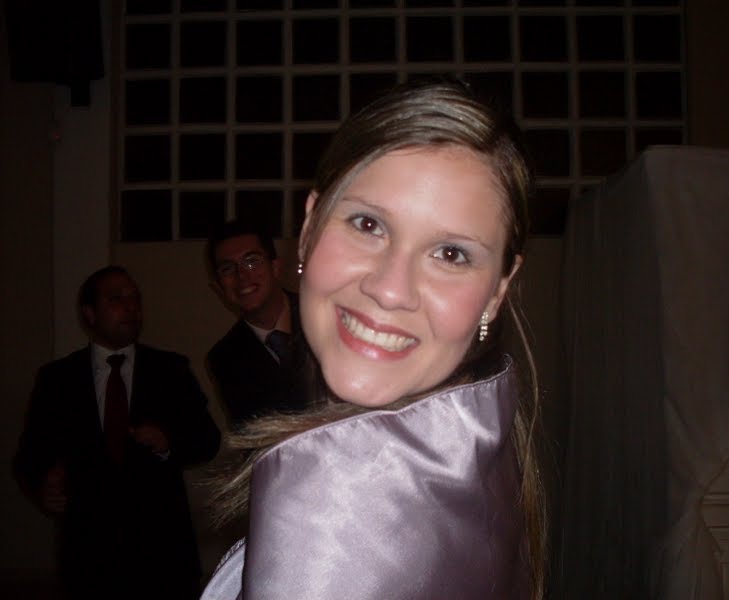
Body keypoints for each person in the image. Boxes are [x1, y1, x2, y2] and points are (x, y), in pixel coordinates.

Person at [202, 78, 546, 600]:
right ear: (310, 227)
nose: (389, 290)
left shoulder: (331, 515)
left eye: (451, 254)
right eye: (368, 224)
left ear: (498, 291)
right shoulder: (484, 454)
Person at [13, 265, 221, 600]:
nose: (130, 307)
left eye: (135, 298)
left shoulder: (170, 369)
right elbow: (30, 454)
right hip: (88, 556)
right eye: (116, 299)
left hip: (163, 555)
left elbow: (207, 439)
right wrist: (43, 483)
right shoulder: (58, 379)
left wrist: (169, 441)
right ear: (89, 313)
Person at [206, 220, 307, 430]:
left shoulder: (321, 314)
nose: (242, 276)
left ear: (275, 267)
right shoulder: (224, 359)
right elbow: (255, 434)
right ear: (218, 287)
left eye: (251, 262)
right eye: (227, 269)